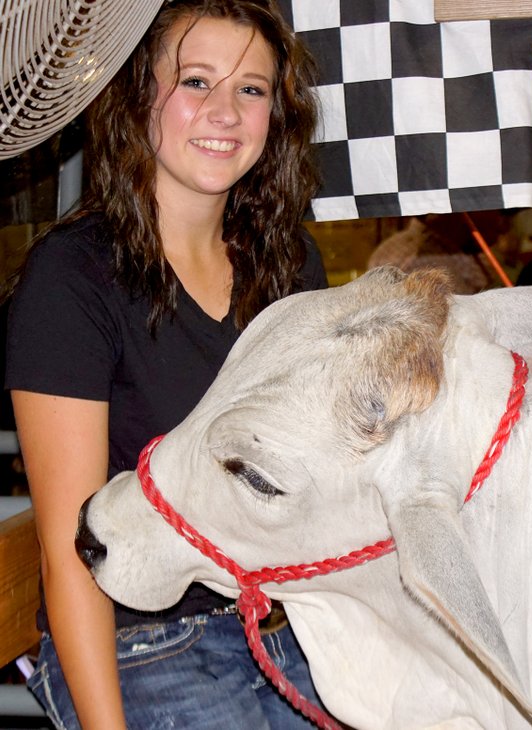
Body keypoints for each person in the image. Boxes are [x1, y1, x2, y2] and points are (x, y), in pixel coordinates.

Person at [4, 1, 329, 728]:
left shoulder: (289, 263)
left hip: (289, 631)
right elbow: (70, 553)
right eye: (195, 82)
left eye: (251, 89)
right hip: (142, 646)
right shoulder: (73, 278)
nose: (225, 111)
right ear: (138, 97)